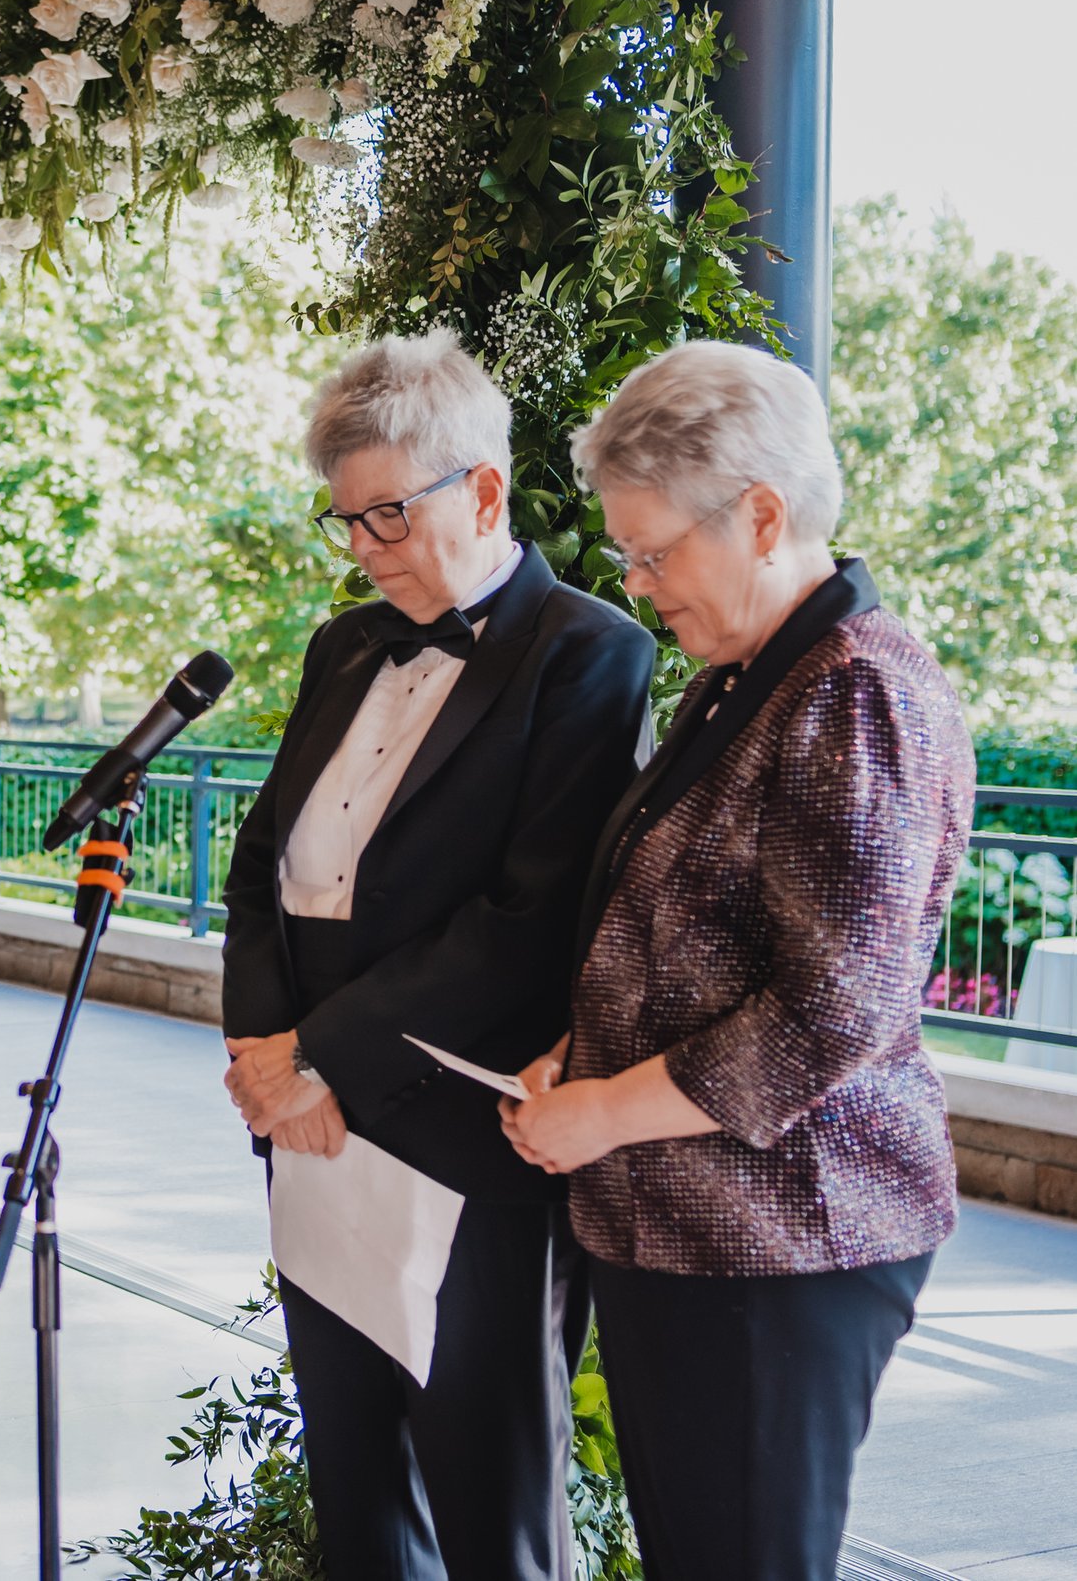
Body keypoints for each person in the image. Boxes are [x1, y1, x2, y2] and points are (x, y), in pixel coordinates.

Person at [503, 341, 970, 1580]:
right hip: (695, 1228)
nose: (640, 581)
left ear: (762, 514)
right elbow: (677, 935)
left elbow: (831, 1010)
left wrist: (603, 1107)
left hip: (784, 1233)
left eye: (655, 551)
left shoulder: (852, 691)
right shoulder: (746, 677)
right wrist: (578, 1052)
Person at [219, 330, 654, 1580]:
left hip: (463, 1137)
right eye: (345, 521)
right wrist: (261, 1051)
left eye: (389, 518)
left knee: (488, 1498)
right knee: (354, 1485)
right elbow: (262, 870)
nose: (364, 550)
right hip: (307, 1125)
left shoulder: (588, 652)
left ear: (482, 490)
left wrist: (318, 1055)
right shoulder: (341, 646)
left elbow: (526, 925)